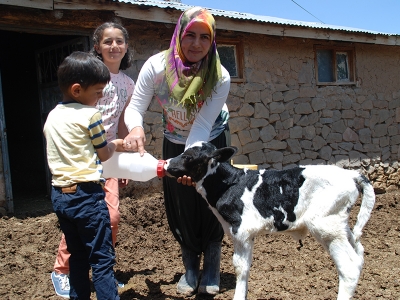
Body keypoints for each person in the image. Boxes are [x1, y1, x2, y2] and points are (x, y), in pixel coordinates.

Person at [123, 7, 231, 296]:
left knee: (213, 203)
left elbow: (204, 124)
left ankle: (212, 267)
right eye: (190, 35)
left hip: (210, 141)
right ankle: (190, 268)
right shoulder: (156, 67)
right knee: (181, 204)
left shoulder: (219, 76)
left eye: (204, 37)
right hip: (174, 140)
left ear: (213, 40)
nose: (196, 44)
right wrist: (135, 129)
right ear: (179, 35)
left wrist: (191, 162)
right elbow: (135, 108)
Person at [50, 22, 135, 298]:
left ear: (126, 46)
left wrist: (122, 160)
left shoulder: (127, 83)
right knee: (89, 229)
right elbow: (92, 139)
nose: (114, 46)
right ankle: (66, 271)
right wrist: (115, 149)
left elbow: (123, 121)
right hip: (91, 160)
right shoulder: (89, 91)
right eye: (107, 41)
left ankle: (97, 279)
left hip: (98, 160)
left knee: (110, 216)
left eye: (119, 41)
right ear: (97, 46)